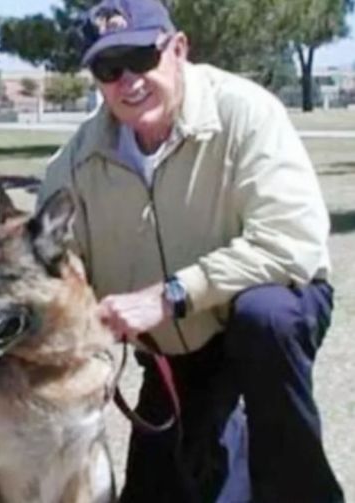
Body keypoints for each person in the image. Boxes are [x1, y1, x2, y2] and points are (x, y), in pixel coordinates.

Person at [34, 0, 344, 501]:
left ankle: (298, 490)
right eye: (110, 68)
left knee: (266, 318)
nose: (129, 80)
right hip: (174, 352)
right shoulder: (73, 165)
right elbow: (51, 271)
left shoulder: (246, 111)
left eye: (141, 57)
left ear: (177, 49)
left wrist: (173, 293)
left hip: (257, 320)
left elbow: (291, 242)